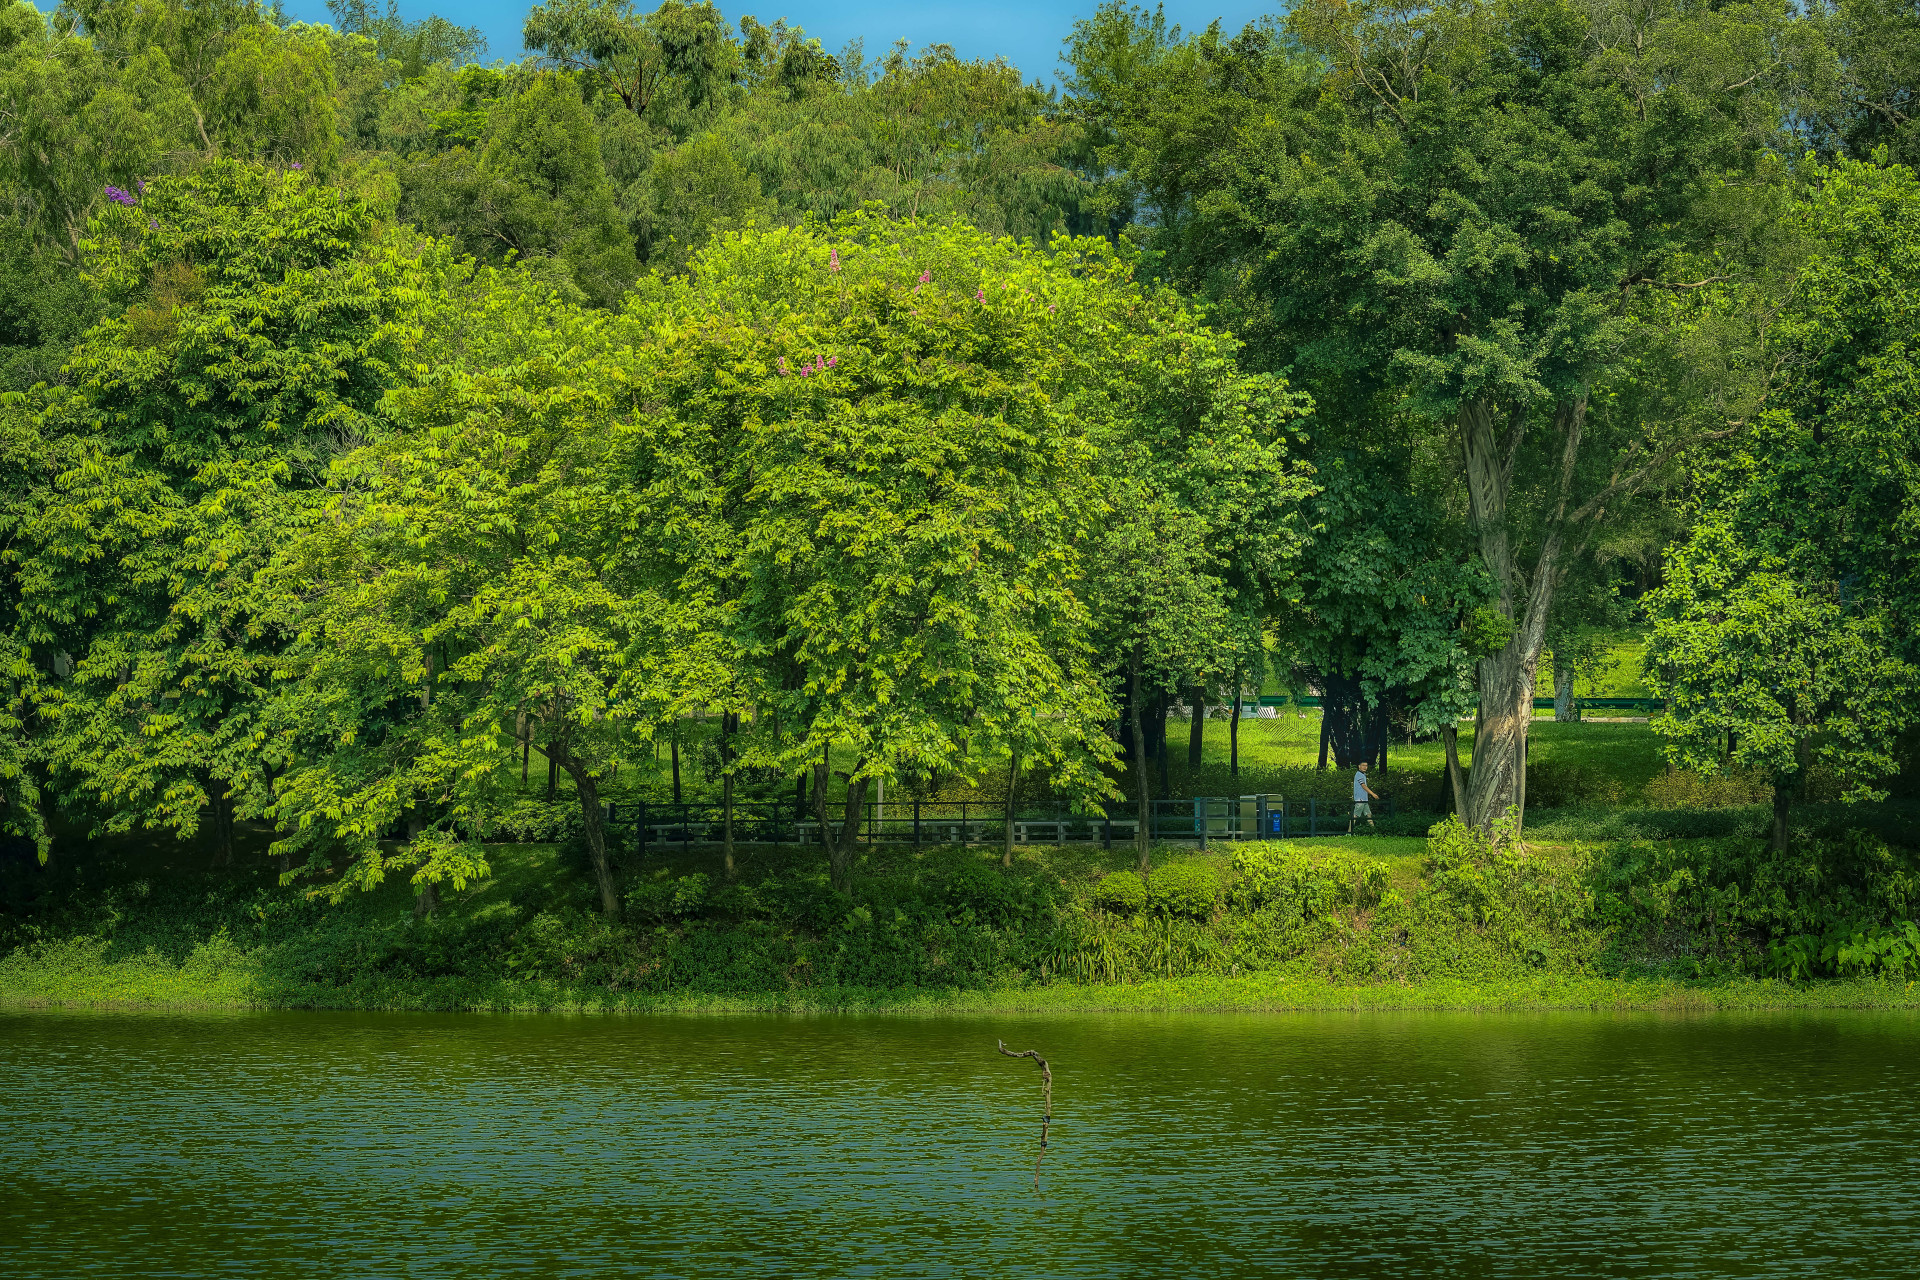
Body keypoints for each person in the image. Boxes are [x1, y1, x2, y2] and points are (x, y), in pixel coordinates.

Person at [1349, 760, 1379, 832]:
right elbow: (1363, 786)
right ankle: (1349, 832)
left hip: (1364, 799)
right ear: (1359, 766)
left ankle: (1374, 831)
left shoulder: (1362, 775)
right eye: (1363, 765)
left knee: (1368, 815)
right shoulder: (1359, 774)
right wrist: (1373, 794)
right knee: (1355, 816)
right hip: (1360, 800)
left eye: (1366, 765)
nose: (1365, 767)